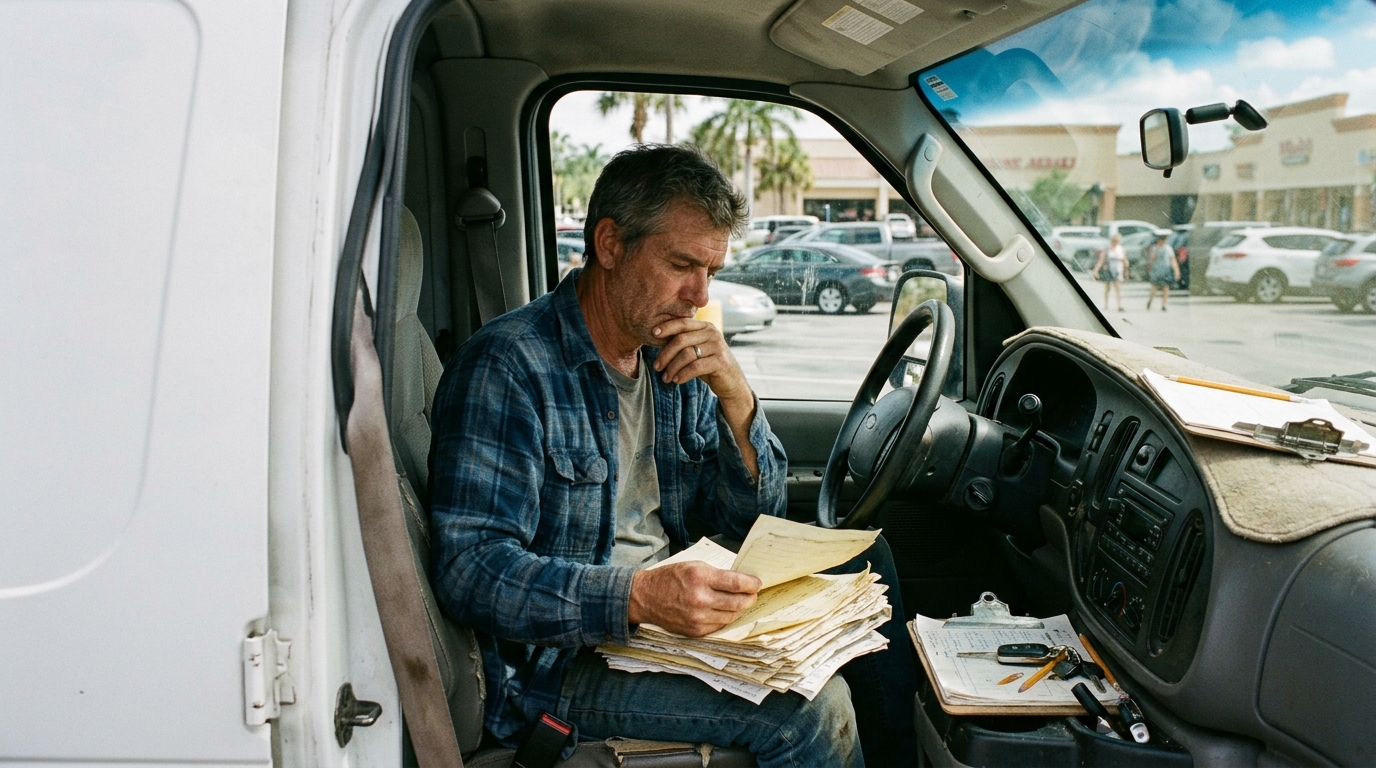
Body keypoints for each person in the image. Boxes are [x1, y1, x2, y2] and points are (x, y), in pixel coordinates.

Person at [429, 144, 917, 767]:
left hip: (669, 626)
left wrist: (737, 399)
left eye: (712, 270)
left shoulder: (671, 361)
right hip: (565, 663)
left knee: (868, 562)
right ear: (609, 245)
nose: (698, 295)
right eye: (682, 264)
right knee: (809, 713)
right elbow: (470, 569)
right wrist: (637, 596)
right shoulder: (509, 368)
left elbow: (746, 522)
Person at [1145, 229, 1181, 310]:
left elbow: (1173, 259)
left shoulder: (1168, 248)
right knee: (1154, 287)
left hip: (1166, 270)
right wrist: (1150, 264)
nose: (1162, 241)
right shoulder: (1154, 248)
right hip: (1156, 270)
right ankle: (1150, 300)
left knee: (1165, 287)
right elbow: (1150, 259)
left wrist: (1176, 271)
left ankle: (1164, 304)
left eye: (1164, 240)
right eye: (1161, 239)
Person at [1092, 232, 1126, 311]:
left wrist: (1126, 269)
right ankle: (1106, 304)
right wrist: (1096, 270)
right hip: (1108, 270)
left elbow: (1124, 260)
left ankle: (1119, 306)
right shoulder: (1107, 249)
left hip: (1118, 270)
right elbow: (1101, 260)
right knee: (1107, 288)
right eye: (1113, 241)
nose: (1115, 242)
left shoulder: (1121, 249)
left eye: (1116, 241)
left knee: (1118, 288)